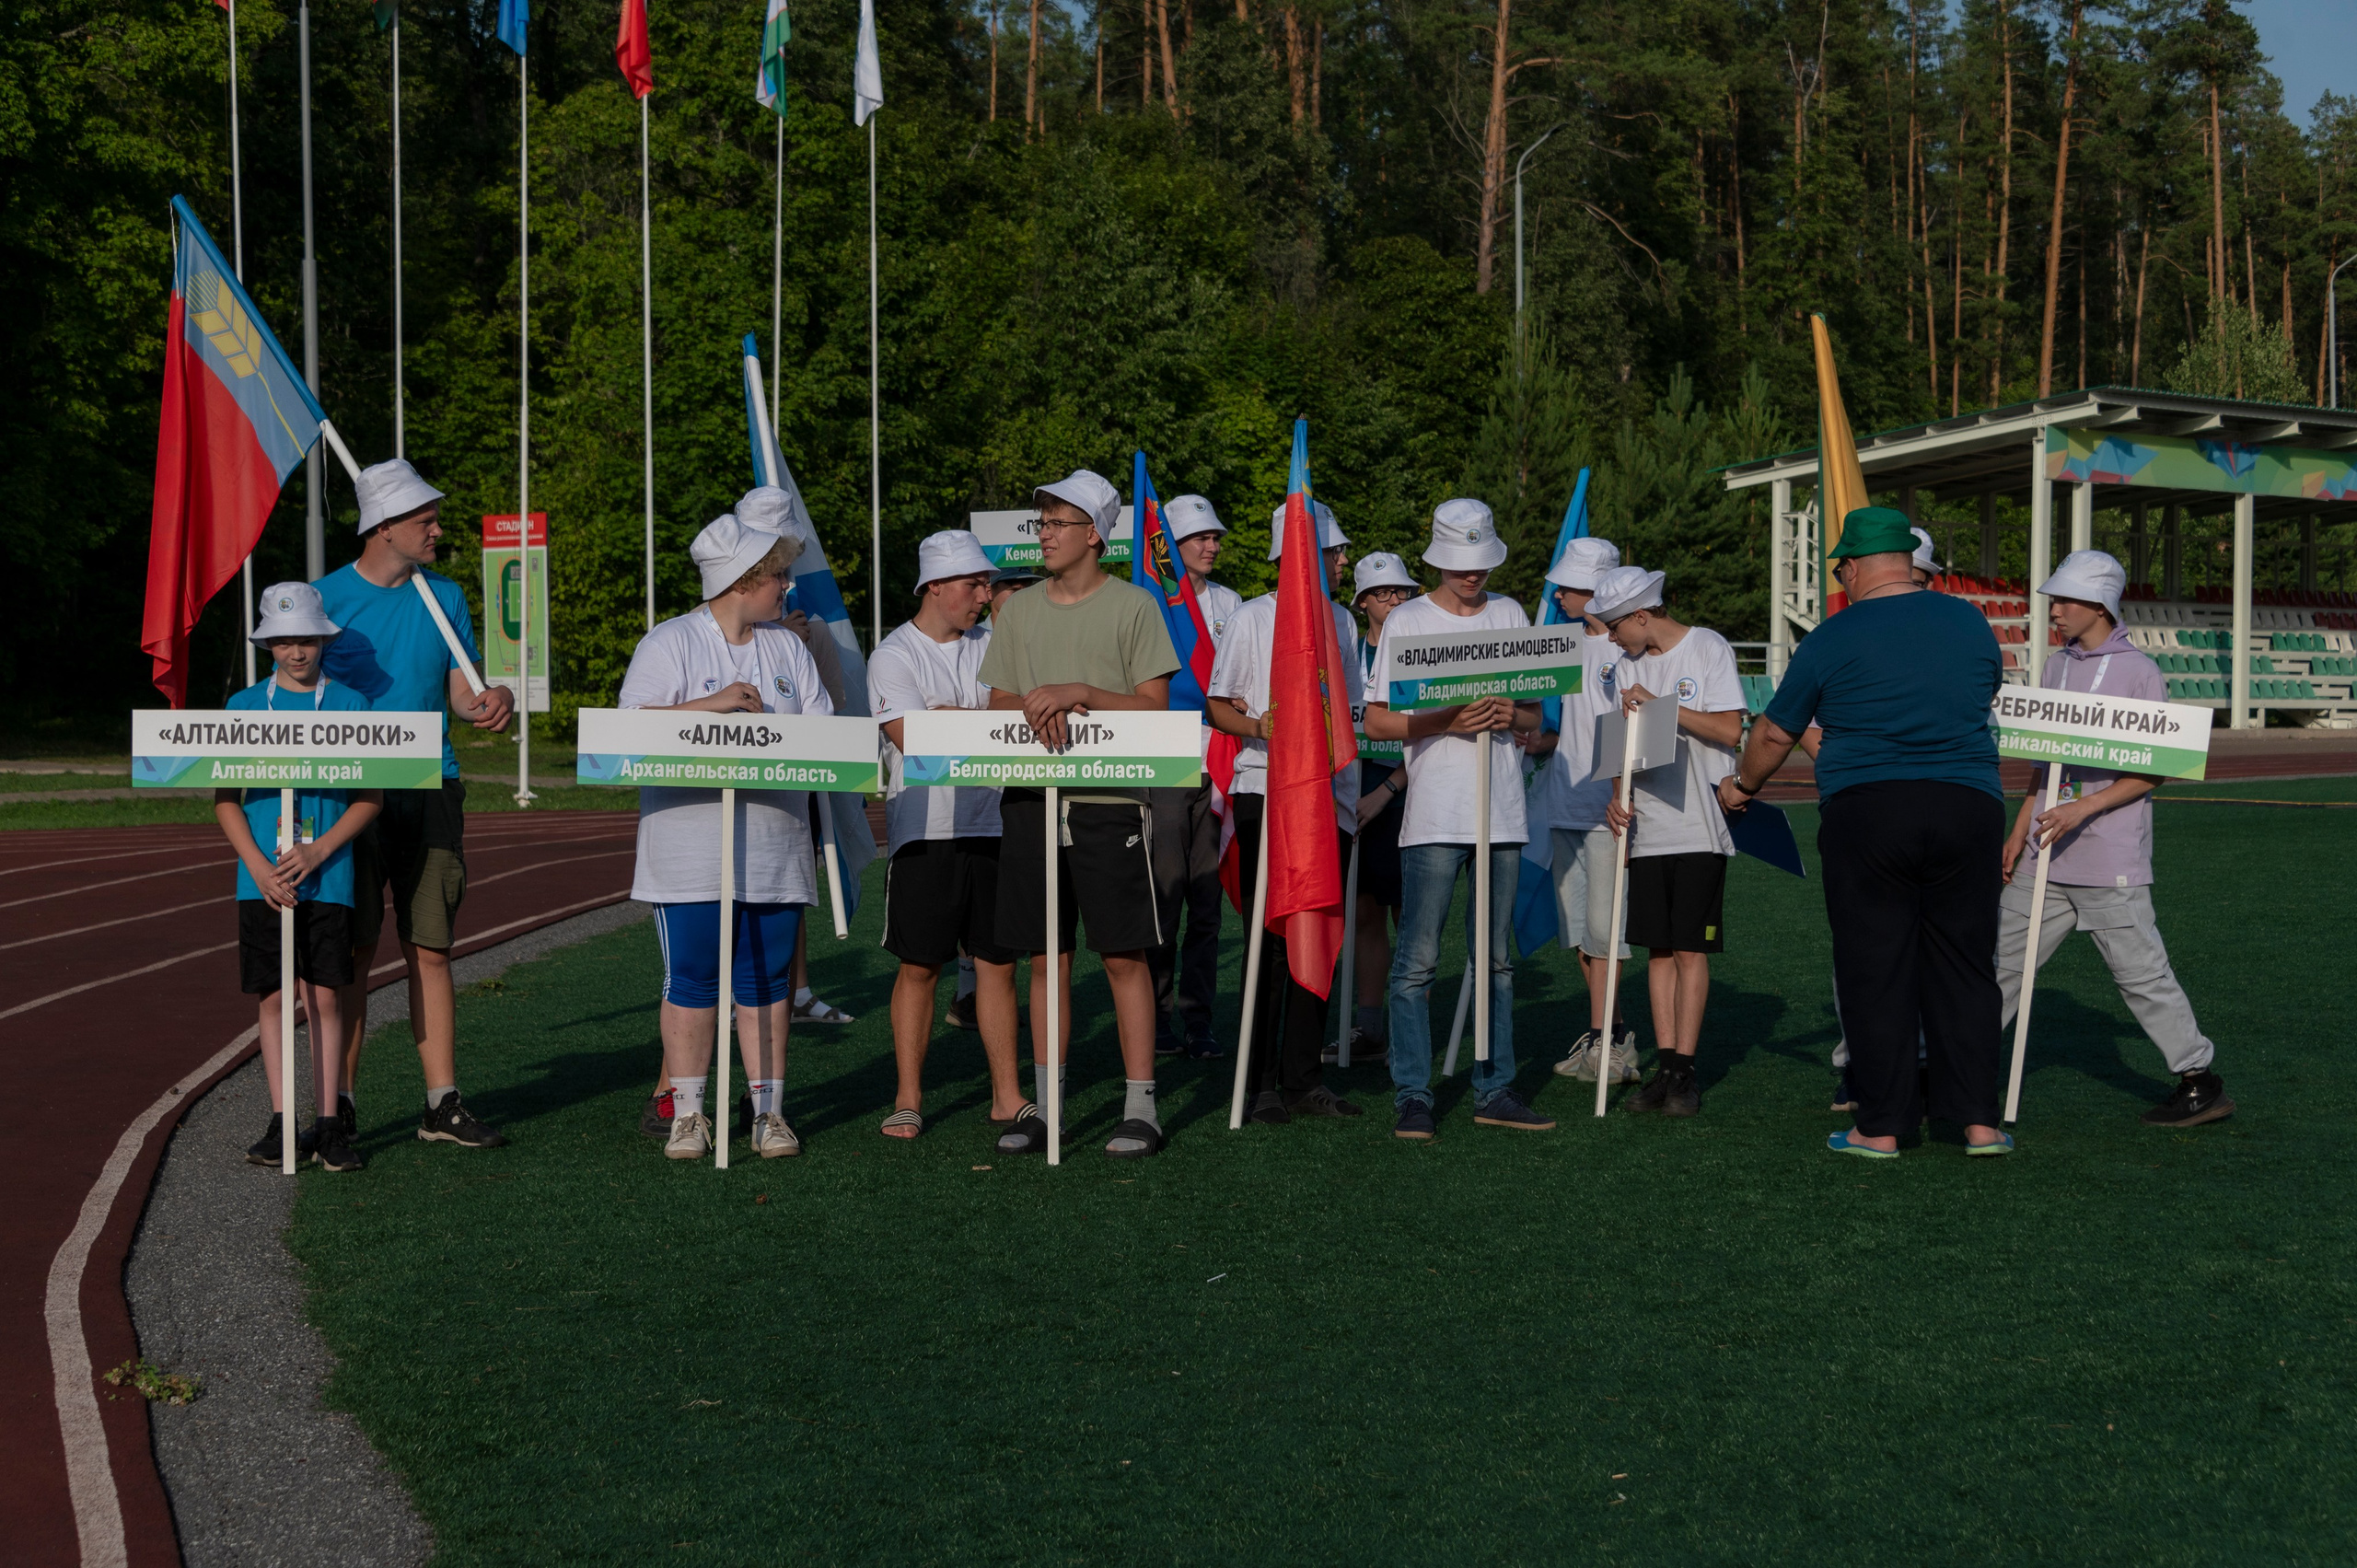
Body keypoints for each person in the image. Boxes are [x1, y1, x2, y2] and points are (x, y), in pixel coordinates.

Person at [1716, 505, 2011, 1158]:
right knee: (1966, 965)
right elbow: (1985, 692)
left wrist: (1742, 787)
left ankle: (1880, 1125)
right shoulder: (1970, 620)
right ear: (1908, 559)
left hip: (1869, 808)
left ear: (1850, 566)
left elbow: (1773, 732)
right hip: (1968, 803)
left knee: (1875, 966)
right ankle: (1979, 1122)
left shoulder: (1833, 634)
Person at [979, 470, 1180, 1158]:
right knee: (1047, 957)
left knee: (1124, 955)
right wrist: (1037, 703)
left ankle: (1140, 1107)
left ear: (1094, 533)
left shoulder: (1135, 607)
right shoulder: (1021, 610)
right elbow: (999, 704)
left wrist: (1080, 692)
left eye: (1057, 523)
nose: (1044, 534)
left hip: (1111, 801)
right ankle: (1050, 1106)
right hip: (1031, 802)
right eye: (1042, 524)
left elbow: (1157, 710)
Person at [619, 512, 831, 1160]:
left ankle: (768, 1113)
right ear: (743, 581)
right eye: (778, 576)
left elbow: (822, 730)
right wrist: (713, 705)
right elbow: (627, 728)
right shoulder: (670, 642)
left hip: (774, 845)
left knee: (767, 982)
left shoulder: (789, 648)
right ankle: (688, 1114)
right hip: (686, 849)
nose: (788, 587)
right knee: (691, 979)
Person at [319, 459, 516, 1149]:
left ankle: (441, 1102)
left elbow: (461, 690)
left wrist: (491, 700)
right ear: (383, 527)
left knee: (430, 946)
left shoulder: (445, 595)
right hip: (351, 794)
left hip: (433, 784)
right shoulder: (323, 600)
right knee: (355, 950)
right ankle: (335, 1104)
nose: (437, 529)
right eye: (424, 519)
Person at [1997, 550, 2231, 1127]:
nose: (2054, 610)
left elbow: (2156, 767)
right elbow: (2045, 760)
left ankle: (2199, 1080)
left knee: (2142, 976)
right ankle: (1944, 1064)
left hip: (2110, 857)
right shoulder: (2054, 667)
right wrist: (2022, 823)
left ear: (2098, 605)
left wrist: (2085, 809)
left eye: (2066, 600)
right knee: (1997, 962)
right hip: (2043, 854)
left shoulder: (2140, 671)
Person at [1364, 500, 1553, 1140]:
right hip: (1436, 811)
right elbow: (1379, 720)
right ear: (1438, 560)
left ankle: (1494, 1085)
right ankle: (1413, 1092)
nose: (1471, 576)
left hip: (1501, 809)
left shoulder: (1511, 614)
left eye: (1479, 564)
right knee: (1417, 959)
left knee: (1495, 959)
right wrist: (1449, 718)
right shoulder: (1409, 620)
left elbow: (1534, 716)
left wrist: (1512, 718)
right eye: (1458, 565)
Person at [1205, 500, 1364, 1122]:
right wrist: (1259, 724)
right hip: (1263, 791)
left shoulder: (1344, 622)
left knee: (1318, 930)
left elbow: (1346, 714)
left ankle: (1303, 1077)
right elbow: (1218, 706)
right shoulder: (1253, 616)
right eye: (1333, 550)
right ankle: (1258, 1078)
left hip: (1328, 800)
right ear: (1301, 555)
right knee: (1268, 938)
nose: (1344, 559)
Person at [217, 584, 382, 1171]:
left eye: (307, 639)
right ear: (267, 645)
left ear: (323, 640)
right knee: (273, 997)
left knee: (324, 997)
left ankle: (329, 1122)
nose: (297, 652)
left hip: (327, 877)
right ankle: (282, 1119)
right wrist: (260, 866)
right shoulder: (242, 707)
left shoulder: (351, 705)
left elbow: (370, 798)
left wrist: (319, 852)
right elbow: (225, 799)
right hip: (261, 882)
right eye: (285, 640)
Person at [870, 529, 1027, 1138]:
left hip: (994, 823)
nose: (986, 596)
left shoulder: (993, 644)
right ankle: (908, 1097)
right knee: (920, 966)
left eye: (987, 583)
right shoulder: (893, 653)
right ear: (935, 586)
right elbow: (915, 740)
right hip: (924, 831)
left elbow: (1017, 717)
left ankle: (1006, 1095)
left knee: (997, 963)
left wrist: (953, 720)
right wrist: (984, 721)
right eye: (974, 583)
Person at [1594, 564, 1747, 1119]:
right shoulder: (1622, 666)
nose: (1611, 637)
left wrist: (1661, 706)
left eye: (1615, 626)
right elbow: (1620, 745)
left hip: (1700, 824)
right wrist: (1617, 794)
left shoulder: (1707, 646)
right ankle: (1664, 1069)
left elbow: (1730, 730)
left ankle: (1685, 1069)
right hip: (1648, 826)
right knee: (1657, 949)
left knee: (1689, 948)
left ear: (1641, 615)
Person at [1821, 526, 1944, 1110]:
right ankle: (1861, 1064)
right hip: (1872, 808)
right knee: (1867, 949)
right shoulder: (1846, 632)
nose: (1911, 592)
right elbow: (1805, 724)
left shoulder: (1949, 628)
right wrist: (1848, 769)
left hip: (1936, 808)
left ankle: (1924, 1065)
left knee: (1936, 950)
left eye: (1922, 583)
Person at [1527, 537, 1638, 1084]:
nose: (1560, 593)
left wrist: (1621, 791)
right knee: (1579, 935)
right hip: (1563, 802)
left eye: (1568, 585)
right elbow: (1556, 723)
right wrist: (1533, 738)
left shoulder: (1626, 648)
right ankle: (1607, 1038)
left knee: (1603, 931)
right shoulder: (1561, 643)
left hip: (1606, 810)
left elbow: (1626, 726)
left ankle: (1612, 1044)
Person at [1150, 494, 1240, 1060]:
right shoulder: (1146, 601)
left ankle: (1198, 1019)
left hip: (1220, 767)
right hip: (1161, 764)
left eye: (1214, 537)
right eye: (1198, 538)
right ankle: (1154, 1017)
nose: (1211, 546)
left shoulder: (1233, 602)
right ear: (1172, 547)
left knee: (1206, 904)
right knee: (1162, 897)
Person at [1345, 552, 1417, 1059]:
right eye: (1384, 593)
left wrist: (1387, 789)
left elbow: (1437, 734)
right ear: (1363, 602)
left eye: (1402, 591)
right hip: (1353, 790)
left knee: (1408, 916)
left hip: (1406, 792)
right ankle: (1369, 1030)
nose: (1395, 600)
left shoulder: (1421, 651)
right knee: (1363, 912)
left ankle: (1411, 1032)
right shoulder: (1348, 652)